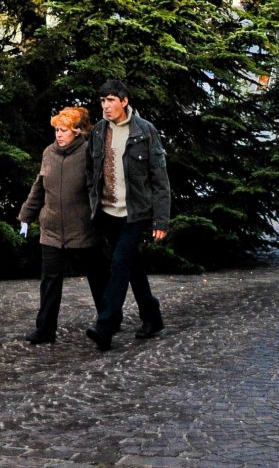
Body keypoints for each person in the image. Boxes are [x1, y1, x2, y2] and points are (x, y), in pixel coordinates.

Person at [85, 78, 170, 353]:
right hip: (108, 212)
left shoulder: (145, 131)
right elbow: (90, 172)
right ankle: (152, 317)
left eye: (111, 100)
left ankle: (105, 326)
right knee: (131, 266)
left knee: (120, 263)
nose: (106, 106)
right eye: (102, 101)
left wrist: (161, 220)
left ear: (124, 101)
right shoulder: (99, 131)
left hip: (136, 213)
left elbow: (160, 178)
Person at [17, 106, 109, 344]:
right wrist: (26, 215)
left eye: (64, 130)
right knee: (49, 282)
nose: (58, 134)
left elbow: (97, 189)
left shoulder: (89, 152)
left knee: (98, 278)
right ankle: (45, 329)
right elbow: (39, 186)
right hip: (52, 229)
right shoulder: (49, 152)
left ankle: (107, 324)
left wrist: (101, 218)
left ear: (77, 132)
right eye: (57, 129)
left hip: (83, 228)